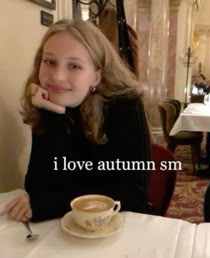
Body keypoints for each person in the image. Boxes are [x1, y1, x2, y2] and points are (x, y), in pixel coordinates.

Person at [5, 19, 154, 222]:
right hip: (67, 227)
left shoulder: (126, 106)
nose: (57, 76)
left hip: (121, 226)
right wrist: (54, 115)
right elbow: (38, 186)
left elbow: (132, 193)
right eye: (49, 61)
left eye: (74, 66)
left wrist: (50, 204)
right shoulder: (46, 102)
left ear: (95, 77)